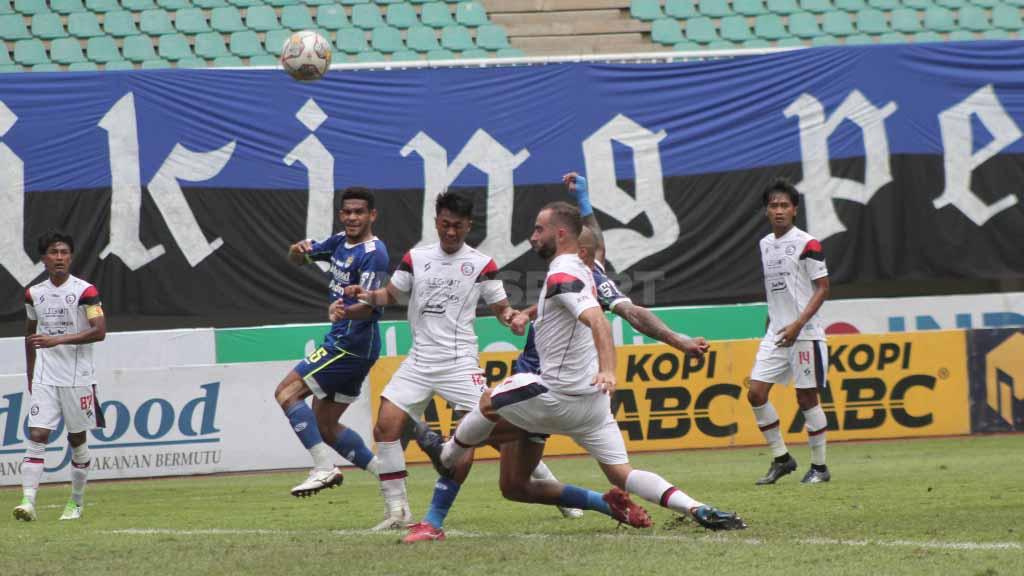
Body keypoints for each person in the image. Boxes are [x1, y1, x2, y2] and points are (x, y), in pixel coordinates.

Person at [436, 203, 747, 537]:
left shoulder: (563, 274)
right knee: (614, 474)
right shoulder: (589, 272)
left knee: (485, 404)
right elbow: (614, 308)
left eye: (539, 230)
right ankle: (696, 507)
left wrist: (609, 370)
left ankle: (444, 457)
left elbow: (595, 318)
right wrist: (677, 341)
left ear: (563, 236)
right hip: (591, 405)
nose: (532, 237)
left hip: (552, 393)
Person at [342, 192, 520, 538]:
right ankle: (398, 511)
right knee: (386, 426)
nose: (450, 232)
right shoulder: (416, 257)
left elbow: (502, 309)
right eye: (444, 224)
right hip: (419, 362)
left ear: (469, 225)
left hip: (459, 363)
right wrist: (362, 297)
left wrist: (512, 318)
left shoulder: (483, 264)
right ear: (436, 221)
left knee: (498, 433)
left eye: (457, 226)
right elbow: (387, 297)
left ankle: (546, 484)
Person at [274, 187, 389, 498]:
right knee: (325, 426)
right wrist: (296, 251)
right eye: (347, 212)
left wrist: (341, 310)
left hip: (350, 343)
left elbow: (372, 307)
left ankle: (324, 469)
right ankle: (388, 477)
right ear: (341, 214)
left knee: (286, 392)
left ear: (372, 215)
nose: (352, 217)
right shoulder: (339, 242)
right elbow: (297, 259)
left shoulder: (373, 254)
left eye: (359, 212)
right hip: (351, 343)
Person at [16, 231, 107, 522]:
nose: (59, 257)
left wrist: (59, 340)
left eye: (64, 252)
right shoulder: (34, 293)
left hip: (78, 377)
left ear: (71, 257)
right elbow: (30, 334)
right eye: (53, 253)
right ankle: (28, 502)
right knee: (37, 434)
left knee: (76, 439)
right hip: (45, 376)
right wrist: (31, 374)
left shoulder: (86, 291)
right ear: (43, 259)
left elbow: (99, 331)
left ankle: (76, 502)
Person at [747, 178, 832, 485]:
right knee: (755, 393)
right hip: (776, 333)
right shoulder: (765, 244)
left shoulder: (809, 244)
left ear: (795, 210)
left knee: (807, 399)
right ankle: (782, 458)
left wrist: (798, 323)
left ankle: (820, 468)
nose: (779, 210)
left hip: (805, 332)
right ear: (766, 211)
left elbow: (823, 289)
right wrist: (774, 324)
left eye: (785, 205)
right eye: (773, 205)